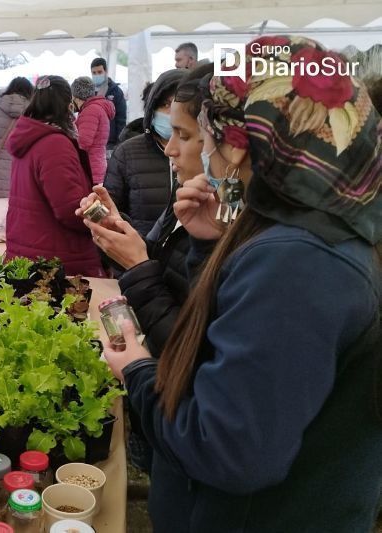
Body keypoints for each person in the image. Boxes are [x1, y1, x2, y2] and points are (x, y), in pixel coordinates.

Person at [104, 36, 382, 531]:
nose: (198, 149)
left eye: (205, 134)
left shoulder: (296, 263)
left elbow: (225, 449)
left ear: (240, 145)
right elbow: (242, 361)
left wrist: (138, 370)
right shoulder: (320, 226)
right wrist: (213, 248)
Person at [78, 63, 215, 473]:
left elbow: (193, 345)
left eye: (186, 135)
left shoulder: (235, 227)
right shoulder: (190, 203)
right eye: (169, 126)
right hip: (156, 368)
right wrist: (120, 230)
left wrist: (138, 264)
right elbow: (158, 257)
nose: (172, 148)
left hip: (172, 387)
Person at [5, 75, 103, 277]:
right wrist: (102, 214)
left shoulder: (29, 137)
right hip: (55, 260)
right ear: (69, 105)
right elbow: (70, 209)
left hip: (30, 250)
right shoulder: (54, 144)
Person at [104, 68, 185, 237]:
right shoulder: (127, 152)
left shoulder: (206, 152)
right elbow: (112, 209)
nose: (172, 113)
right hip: (141, 253)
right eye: (165, 105)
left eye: (179, 103)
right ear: (151, 110)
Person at [71, 76, 115, 184]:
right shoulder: (97, 108)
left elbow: (84, 142)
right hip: (97, 167)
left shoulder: (90, 111)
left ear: (76, 97)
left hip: (91, 169)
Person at [91, 58, 127, 152]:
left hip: (110, 143)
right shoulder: (89, 92)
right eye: (94, 73)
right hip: (92, 141)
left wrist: (119, 143)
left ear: (106, 71)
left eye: (99, 72)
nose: (96, 75)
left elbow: (121, 119)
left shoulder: (116, 92)